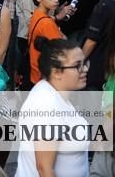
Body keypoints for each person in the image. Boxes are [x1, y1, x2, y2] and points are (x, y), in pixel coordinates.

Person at [15, 38, 89, 177]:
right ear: (56, 72)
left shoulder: (56, 95)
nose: (84, 69)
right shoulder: (46, 104)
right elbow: (44, 168)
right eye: (77, 65)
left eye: (85, 63)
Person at [27, 0, 67, 86]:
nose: (56, 0)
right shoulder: (47, 23)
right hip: (44, 76)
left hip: (35, 72)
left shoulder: (36, 14)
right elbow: (59, 50)